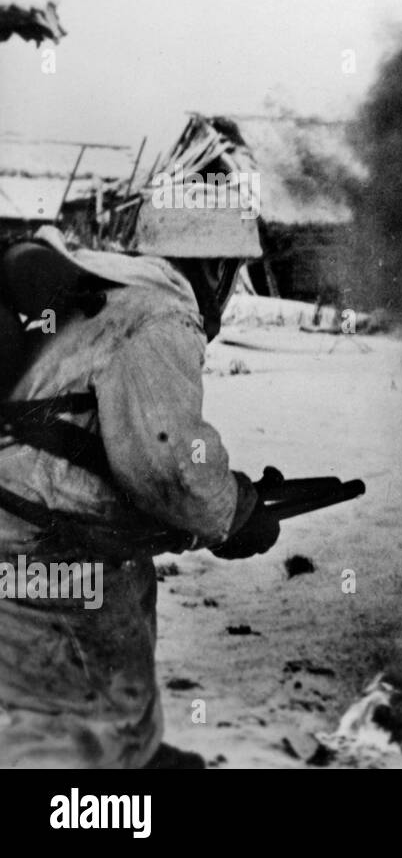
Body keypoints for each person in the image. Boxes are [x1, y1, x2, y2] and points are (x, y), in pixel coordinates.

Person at [0, 200, 279, 768]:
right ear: (219, 269)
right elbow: (167, 464)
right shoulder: (160, 313)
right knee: (88, 714)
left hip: (20, 535)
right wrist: (232, 512)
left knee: (46, 701)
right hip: (50, 551)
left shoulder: (109, 293)